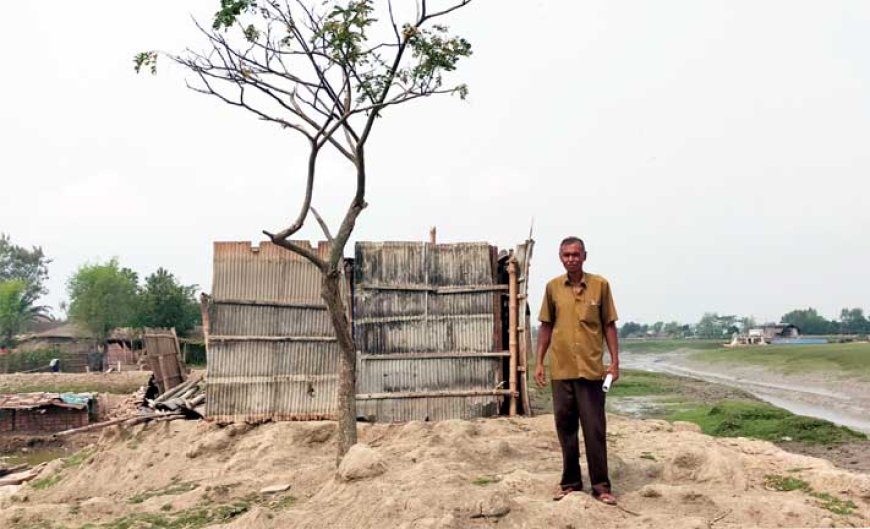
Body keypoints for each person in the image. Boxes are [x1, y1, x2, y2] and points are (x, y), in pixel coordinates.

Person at [535, 236, 620, 505]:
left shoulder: (600, 286)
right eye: (566, 255)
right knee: (565, 428)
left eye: (576, 254)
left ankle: (601, 486)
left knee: (594, 429)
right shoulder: (552, 288)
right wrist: (539, 362)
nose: (571, 258)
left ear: (585, 256)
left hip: (592, 371)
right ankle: (570, 482)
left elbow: (609, 325)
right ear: (561, 257)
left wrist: (615, 362)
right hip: (561, 370)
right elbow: (546, 326)